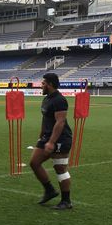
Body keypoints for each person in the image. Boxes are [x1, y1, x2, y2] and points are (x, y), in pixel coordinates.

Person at [29, 73, 73, 210]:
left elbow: (60, 122)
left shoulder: (60, 100)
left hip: (61, 139)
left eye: (43, 83)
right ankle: (49, 190)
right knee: (34, 163)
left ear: (50, 84)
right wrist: (41, 137)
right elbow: (46, 119)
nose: (41, 85)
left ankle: (66, 201)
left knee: (60, 169)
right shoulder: (47, 99)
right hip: (47, 137)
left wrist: (51, 142)